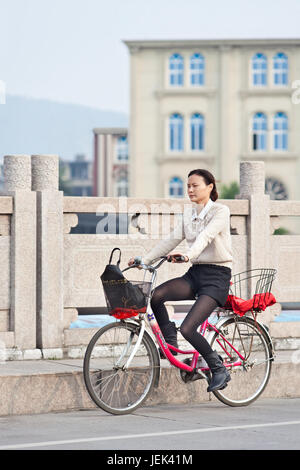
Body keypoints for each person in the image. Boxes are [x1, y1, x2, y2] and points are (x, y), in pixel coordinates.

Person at [128, 169, 233, 393]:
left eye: (195, 185)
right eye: (188, 186)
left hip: (217, 277)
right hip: (195, 274)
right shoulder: (189, 214)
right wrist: (143, 260)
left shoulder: (220, 211)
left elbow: (206, 237)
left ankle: (218, 368)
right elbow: (171, 239)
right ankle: (171, 345)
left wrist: (188, 255)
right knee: (156, 295)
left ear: (210, 187)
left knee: (188, 328)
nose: (190, 190)